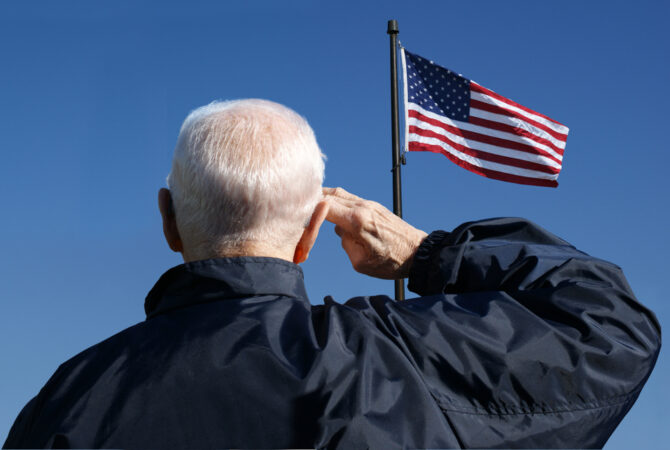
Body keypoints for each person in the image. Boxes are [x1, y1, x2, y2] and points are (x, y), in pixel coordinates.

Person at [4, 99, 660, 449]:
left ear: (169, 221)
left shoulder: (69, 399)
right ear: (316, 230)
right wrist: (426, 254)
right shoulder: (388, 363)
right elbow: (610, 325)